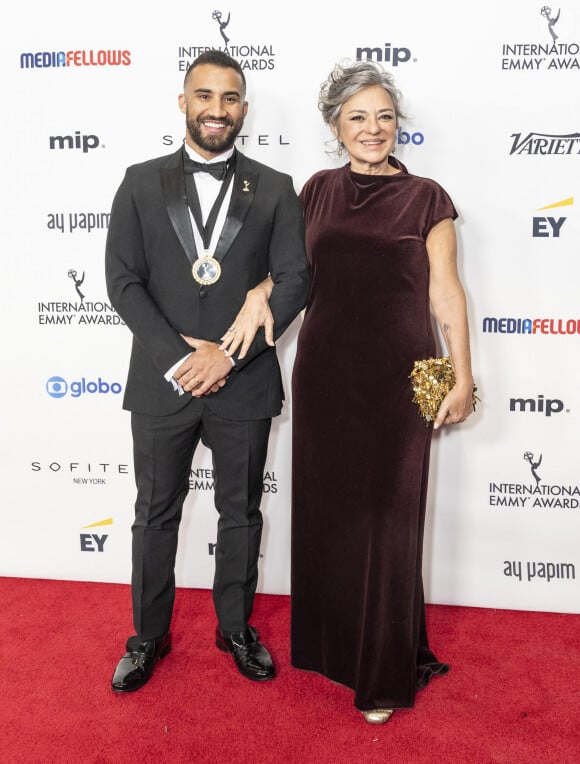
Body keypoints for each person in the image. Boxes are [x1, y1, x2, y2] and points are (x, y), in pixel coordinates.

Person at [105, 50, 309, 693]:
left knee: (241, 513)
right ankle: (147, 637)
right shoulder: (139, 181)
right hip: (162, 382)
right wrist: (180, 357)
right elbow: (122, 281)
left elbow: (297, 278)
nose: (216, 110)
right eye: (204, 96)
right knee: (153, 514)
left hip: (243, 381)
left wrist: (227, 354)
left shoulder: (275, 186)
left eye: (229, 98)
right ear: (183, 102)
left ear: (243, 108)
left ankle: (235, 628)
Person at [289, 60, 474, 724]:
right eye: (358, 117)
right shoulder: (314, 191)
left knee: (390, 525)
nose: (373, 129)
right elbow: (288, 281)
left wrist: (461, 376)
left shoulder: (427, 196)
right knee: (330, 519)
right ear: (335, 125)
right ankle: (334, 651)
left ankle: (384, 673)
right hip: (323, 377)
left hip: (402, 381)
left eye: (384, 116)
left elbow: (445, 293)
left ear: (399, 124)